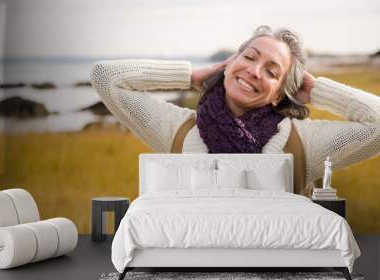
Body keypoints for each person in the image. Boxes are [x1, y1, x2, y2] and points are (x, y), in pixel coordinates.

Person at [91, 26, 380, 195]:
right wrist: (191, 76)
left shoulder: (304, 143)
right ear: (229, 64)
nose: (254, 71)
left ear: (280, 94)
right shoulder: (177, 128)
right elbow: (105, 77)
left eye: (271, 71)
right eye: (249, 57)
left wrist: (317, 90)